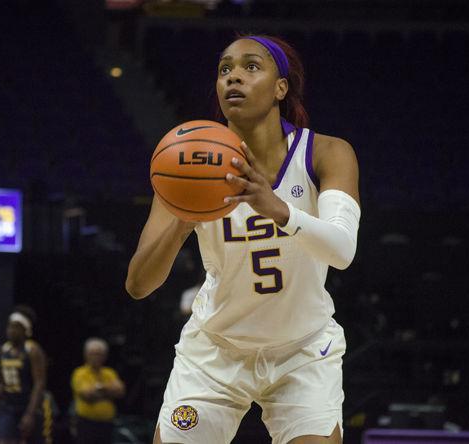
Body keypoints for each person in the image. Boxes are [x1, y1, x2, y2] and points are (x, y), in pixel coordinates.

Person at [126, 34, 360, 444]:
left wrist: (278, 209)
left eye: (251, 66)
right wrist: (182, 221)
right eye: (225, 69)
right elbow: (138, 285)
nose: (234, 76)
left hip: (302, 352)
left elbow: (341, 251)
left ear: (280, 88)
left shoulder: (325, 153)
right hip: (216, 351)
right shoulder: (182, 160)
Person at [0, 305, 48, 444]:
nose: (10, 330)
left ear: (25, 330)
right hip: (8, 406)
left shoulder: (32, 350)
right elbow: (1, 382)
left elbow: (39, 383)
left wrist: (30, 413)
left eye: (15, 327)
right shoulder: (4, 350)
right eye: (9, 326)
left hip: (29, 404)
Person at [70, 338, 125, 444]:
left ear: (105, 356)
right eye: (92, 354)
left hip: (107, 425)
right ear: (85, 355)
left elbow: (120, 391)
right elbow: (87, 394)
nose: (96, 357)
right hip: (86, 424)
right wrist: (108, 391)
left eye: (99, 354)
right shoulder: (79, 373)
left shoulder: (110, 373)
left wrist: (98, 388)